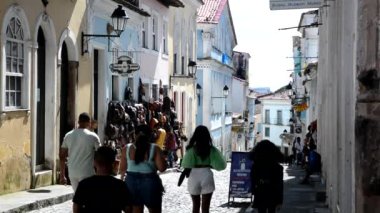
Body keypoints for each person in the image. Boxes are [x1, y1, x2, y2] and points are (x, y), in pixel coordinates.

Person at [119, 124, 167, 213]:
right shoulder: (155, 148)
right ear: (150, 135)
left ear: (134, 134)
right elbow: (162, 168)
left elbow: (122, 169)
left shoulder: (127, 148)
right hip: (150, 182)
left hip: (131, 182)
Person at [181, 125, 227, 213]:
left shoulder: (191, 150)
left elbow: (185, 164)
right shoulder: (211, 150)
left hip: (194, 176)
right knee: (206, 208)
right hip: (207, 175)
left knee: (195, 206)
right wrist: (210, 165)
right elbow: (221, 165)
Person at [73, 146, 131, 213]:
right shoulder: (120, 185)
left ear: (94, 163)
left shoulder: (84, 184)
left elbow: (76, 207)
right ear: (113, 164)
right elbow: (128, 208)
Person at [59, 112, 101, 191]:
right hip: (87, 172)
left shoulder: (68, 135)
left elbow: (62, 156)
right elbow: (101, 155)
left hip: (72, 172)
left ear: (78, 122)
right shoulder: (93, 136)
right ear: (89, 123)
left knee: (78, 198)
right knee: (88, 199)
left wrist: (62, 175)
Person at [249, 140, 283, 213]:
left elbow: (253, 180)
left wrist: (253, 192)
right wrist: (280, 201)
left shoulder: (256, 166)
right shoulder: (277, 167)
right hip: (273, 194)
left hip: (260, 193)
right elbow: (279, 185)